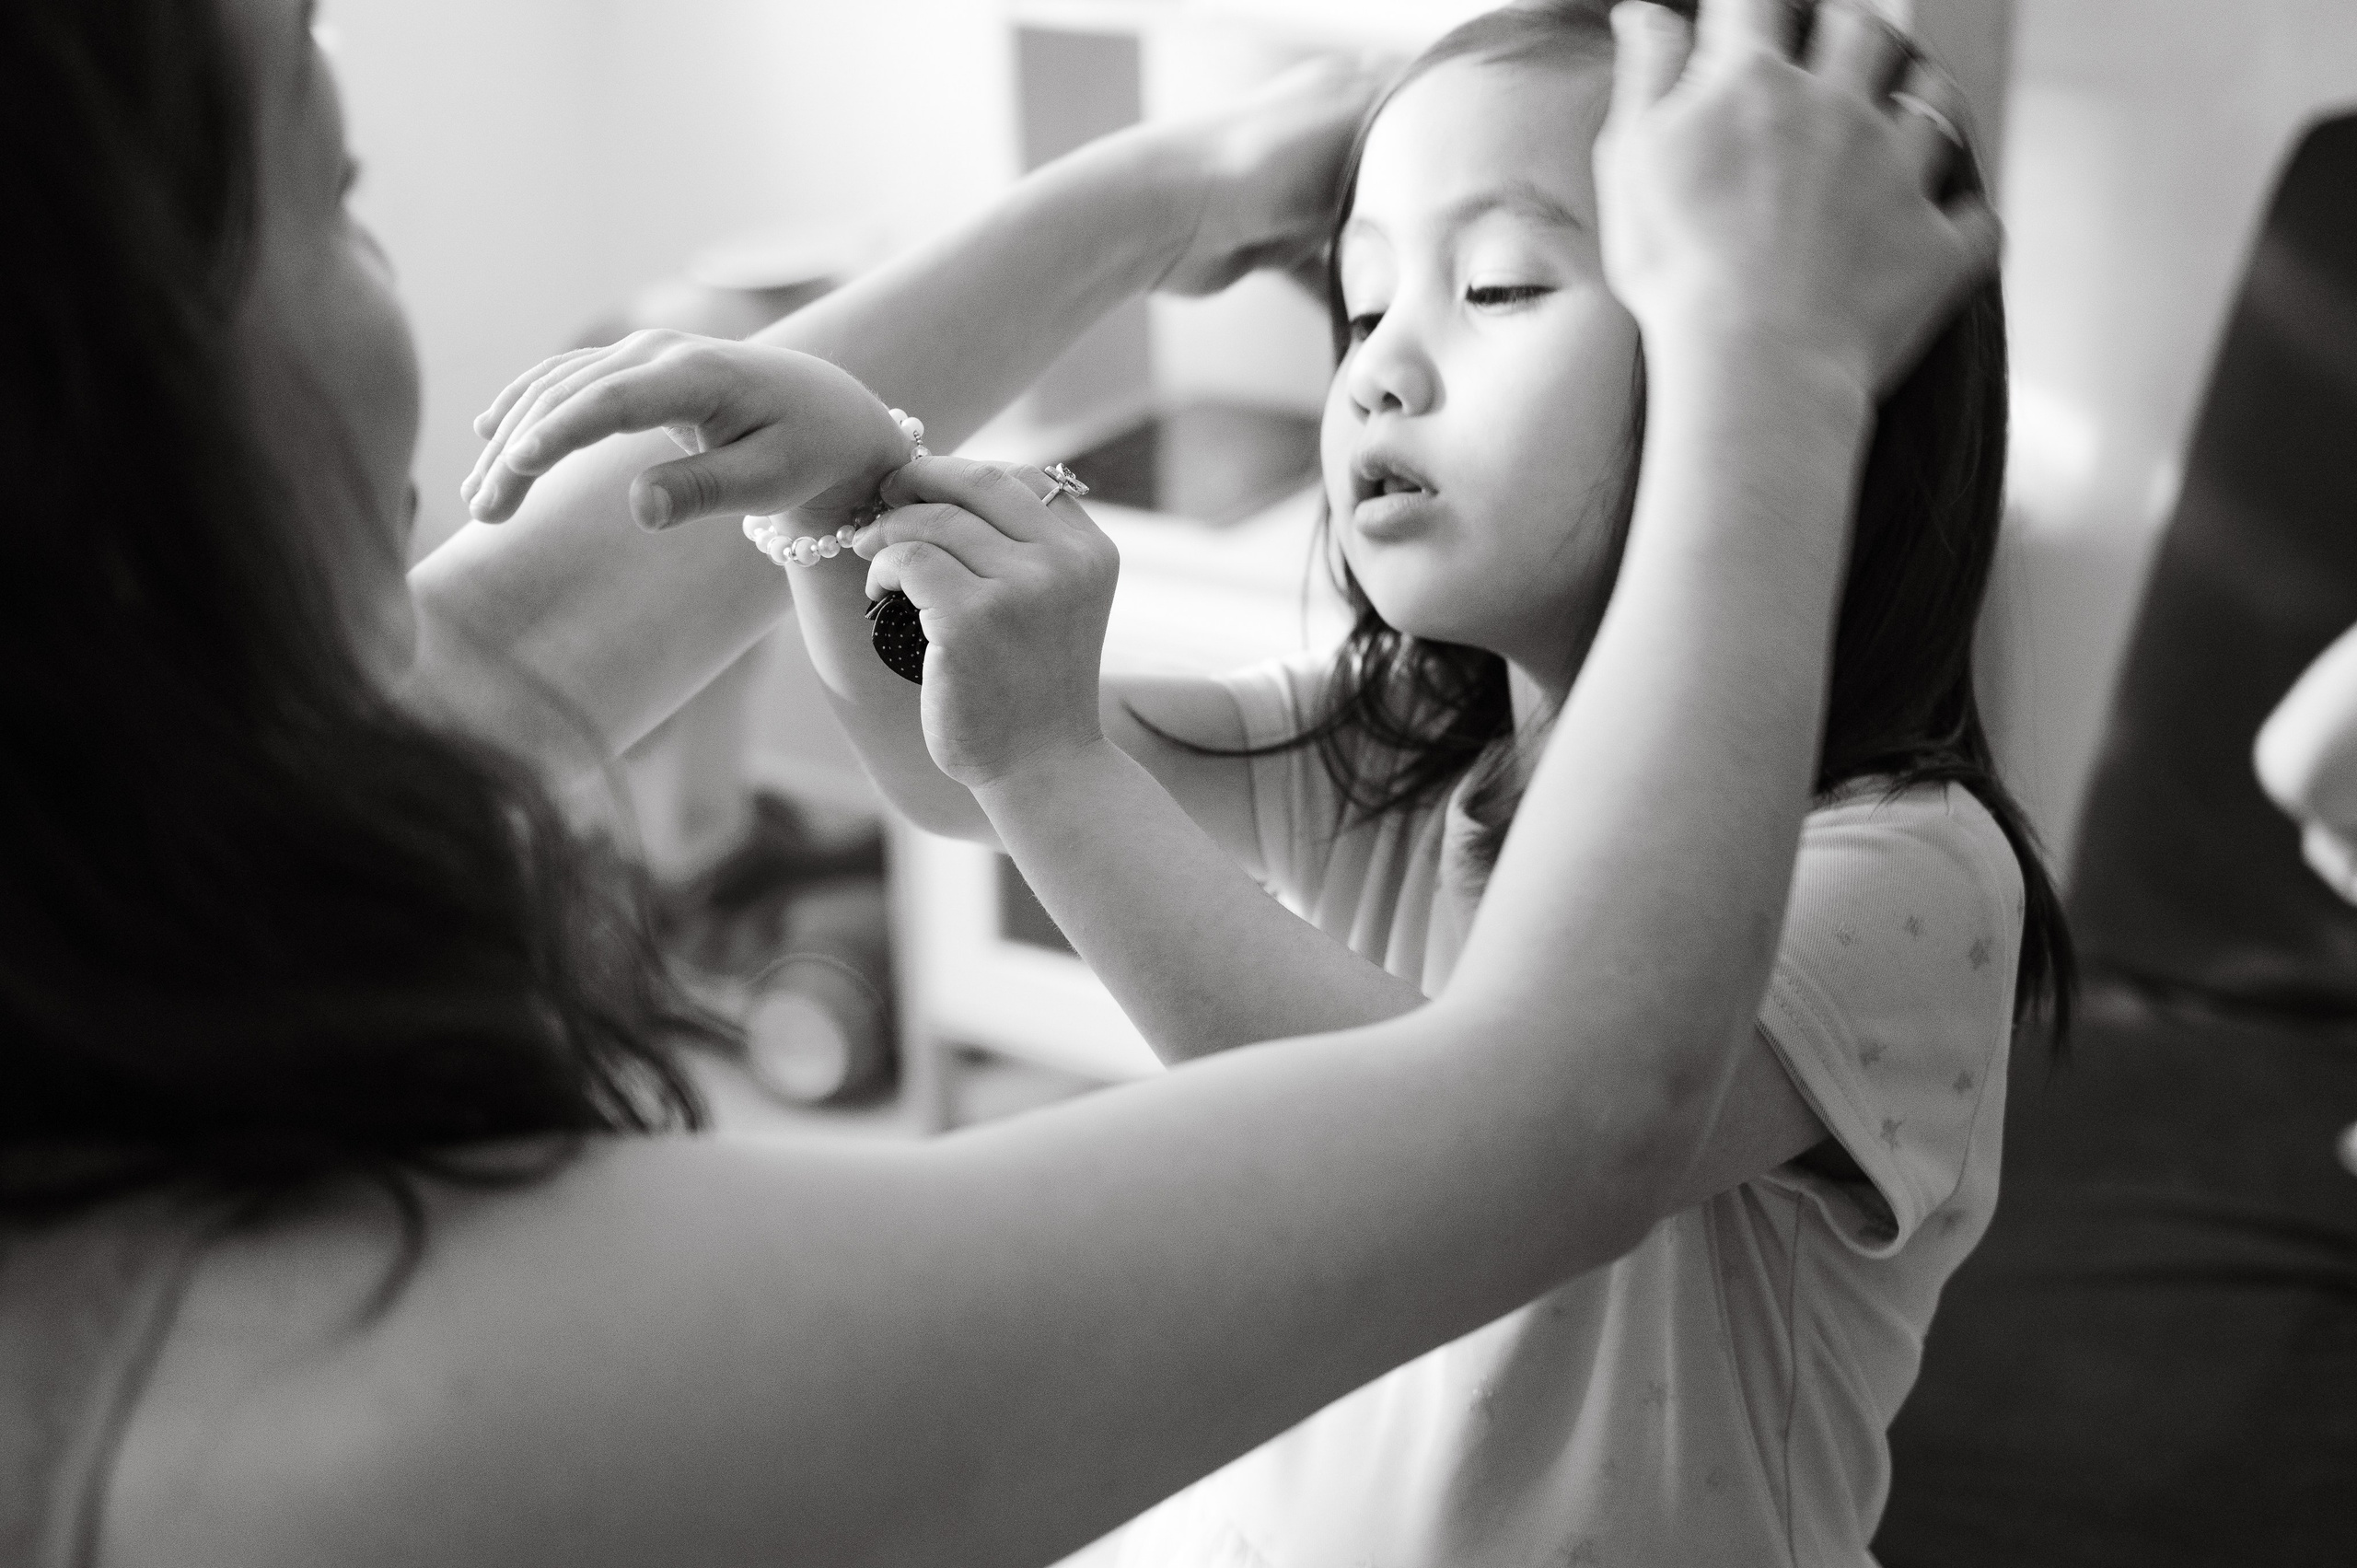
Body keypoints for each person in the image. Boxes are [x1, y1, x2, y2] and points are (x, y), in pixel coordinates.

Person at [1, 3, 1998, 1567]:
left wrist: (855, 489)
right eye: (1361, 299)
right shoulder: (1384, 760)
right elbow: (1514, 1114)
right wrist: (1768, 356)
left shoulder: (1904, 876)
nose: (1377, 368)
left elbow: (533, 665)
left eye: (1491, 290)